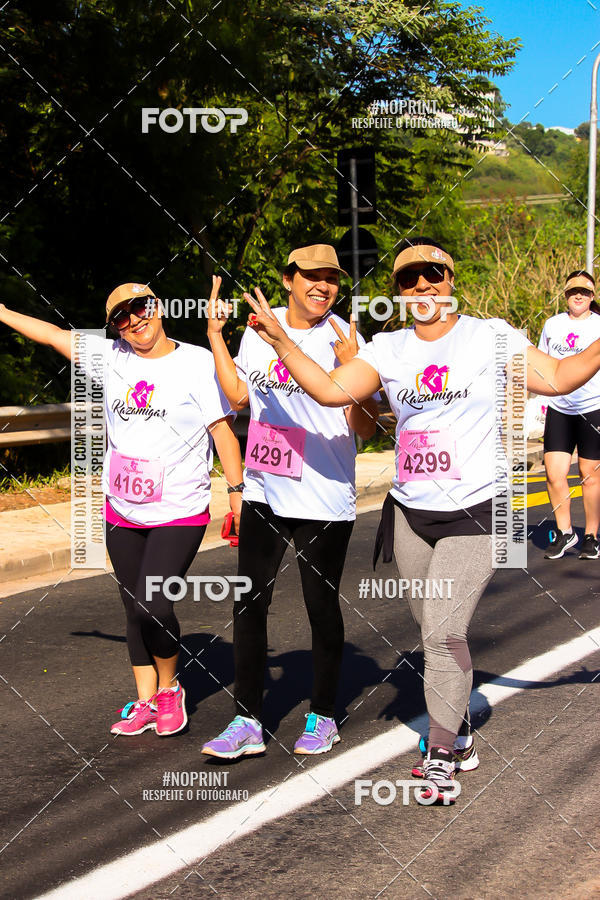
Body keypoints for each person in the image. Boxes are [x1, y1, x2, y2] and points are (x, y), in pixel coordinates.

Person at [241, 236, 600, 801]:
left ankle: (438, 751)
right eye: (411, 280)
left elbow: (558, 378)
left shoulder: (490, 337)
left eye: (434, 274)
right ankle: (459, 737)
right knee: (434, 629)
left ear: (451, 281)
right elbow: (332, 391)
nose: (424, 286)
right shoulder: (388, 349)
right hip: (410, 515)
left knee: (442, 632)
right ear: (400, 293)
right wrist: (283, 341)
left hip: (480, 509)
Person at [0, 284, 244, 736]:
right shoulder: (110, 356)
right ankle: (145, 700)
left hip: (180, 508)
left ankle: (171, 690)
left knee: (153, 604)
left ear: (160, 308)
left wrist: (236, 491)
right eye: (122, 317)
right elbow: (52, 334)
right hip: (122, 508)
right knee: (132, 607)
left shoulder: (196, 362)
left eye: (142, 308)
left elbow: (223, 433)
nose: (134, 321)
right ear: (115, 326)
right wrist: (4, 311)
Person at [201, 244, 379, 758]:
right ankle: (247, 721)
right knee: (248, 603)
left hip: (323, 496)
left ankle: (323, 715)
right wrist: (215, 336)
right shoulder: (258, 327)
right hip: (264, 490)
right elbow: (238, 397)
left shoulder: (346, 338)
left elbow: (364, 430)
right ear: (288, 279)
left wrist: (358, 385)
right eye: (313, 276)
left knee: (319, 606)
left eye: (332, 279)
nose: (323, 286)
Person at [539, 270, 600, 560]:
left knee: (589, 477)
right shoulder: (552, 325)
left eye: (585, 292)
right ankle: (565, 532)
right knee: (554, 474)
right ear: (565, 294)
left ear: (592, 296)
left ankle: (591, 536)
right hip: (559, 409)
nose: (579, 296)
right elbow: (541, 363)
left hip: (593, 409)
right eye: (574, 291)